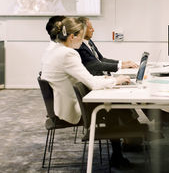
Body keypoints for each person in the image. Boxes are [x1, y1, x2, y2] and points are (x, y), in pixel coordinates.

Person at [41, 17, 137, 168]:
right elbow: (92, 83)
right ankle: (123, 150)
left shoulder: (53, 50)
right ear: (72, 37)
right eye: (81, 36)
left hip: (57, 106)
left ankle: (131, 139)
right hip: (72, 108)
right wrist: (116, 80)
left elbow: (84, 78)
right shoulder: (68, 54)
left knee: (112, 98)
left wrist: (105, 80)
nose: (81, 43)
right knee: (113, 104)